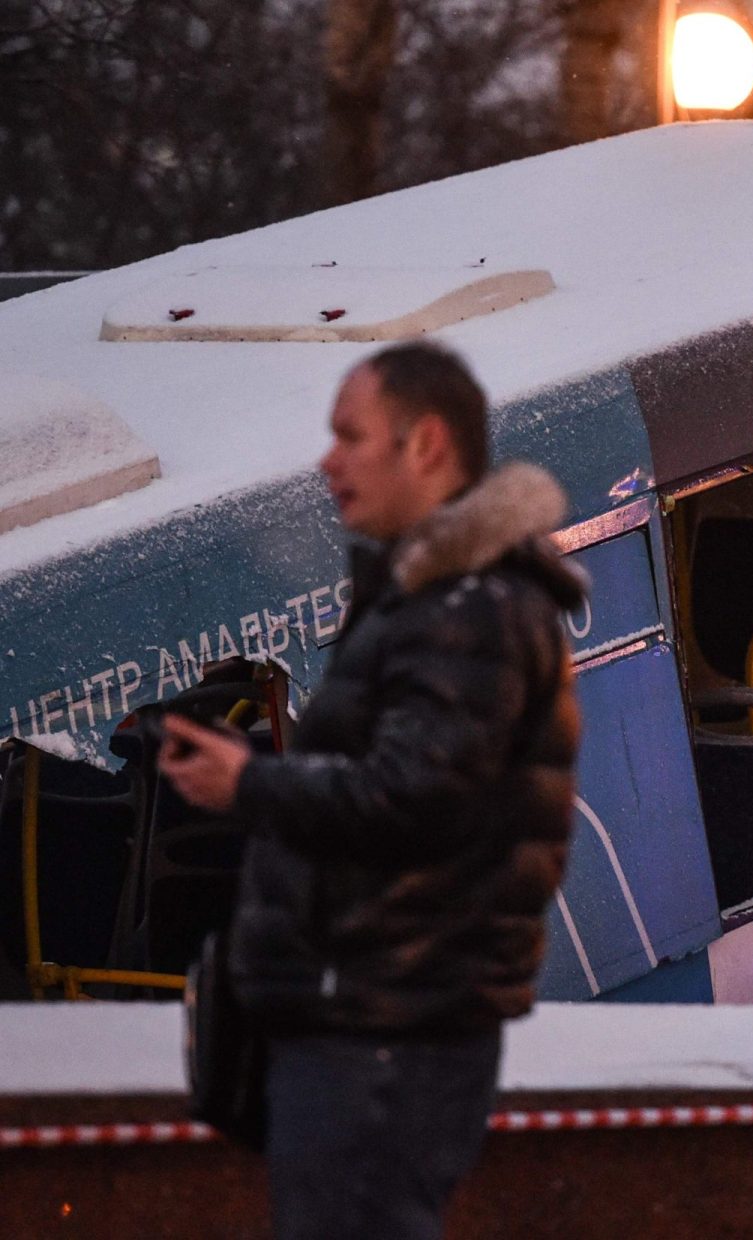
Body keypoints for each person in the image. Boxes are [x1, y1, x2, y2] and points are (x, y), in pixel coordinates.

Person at [159, 342, 585, 1240]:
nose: (329, 459)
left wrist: (251, 782)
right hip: (374, 1024)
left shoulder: (467, 612)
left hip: (387, 1033)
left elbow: (418, 800)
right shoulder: (435, 601)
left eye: (352, 436)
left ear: (425, 444)